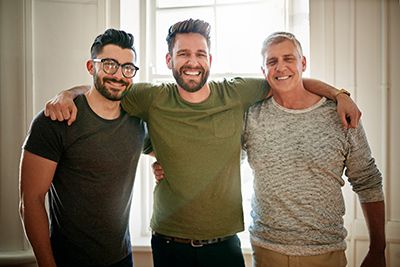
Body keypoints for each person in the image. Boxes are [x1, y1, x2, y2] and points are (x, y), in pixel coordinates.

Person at [43, 19, 361, 267]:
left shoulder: (236, 92)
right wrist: (66, 94)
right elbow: (105, 86)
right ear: (169, 59)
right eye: (183, 53)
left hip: (225, 244)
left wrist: (339, 94)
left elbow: (290, 80)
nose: (192, 61)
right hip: (168, 243)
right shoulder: (151, 97)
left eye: (199, 54)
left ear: (210, 58)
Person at [241, 32, 385, 267]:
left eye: (289, 59)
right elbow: (221, 158)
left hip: (325, 252)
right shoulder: (251, 116)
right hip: (266, 250)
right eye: (272, 61)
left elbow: (368, 181)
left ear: (303, 63)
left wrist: (378, 249)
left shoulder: (340, 114)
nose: (281, 67)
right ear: (263, 70)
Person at [19, 29, 145, 267]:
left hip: (122, 259)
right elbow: (31, 201)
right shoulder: (54, 121)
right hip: (68, 261)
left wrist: (161, 165)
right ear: (91, 66)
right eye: (109, 64)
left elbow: (166, 149)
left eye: (128, 68)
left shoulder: (139, 121)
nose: (119, 75)